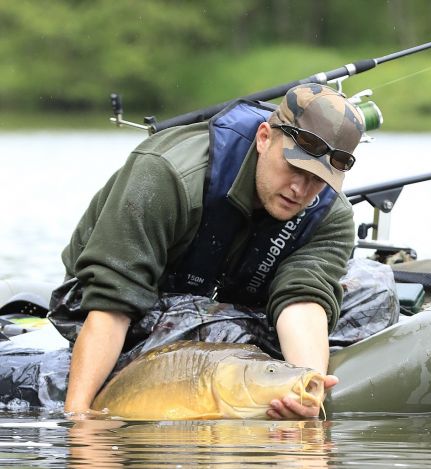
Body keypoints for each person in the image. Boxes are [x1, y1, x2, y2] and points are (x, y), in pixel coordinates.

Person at [49, 83, 365, 419]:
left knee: (371, 287)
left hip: (229, 298)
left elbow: (304, 299)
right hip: (113, 301)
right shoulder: (168, 173)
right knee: (217, 329)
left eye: (317, 180)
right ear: (264, 138)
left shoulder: (330, 214)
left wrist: (305, 387)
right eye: (294, 168)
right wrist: (79, 414)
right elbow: (112, 304)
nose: (300, 190)